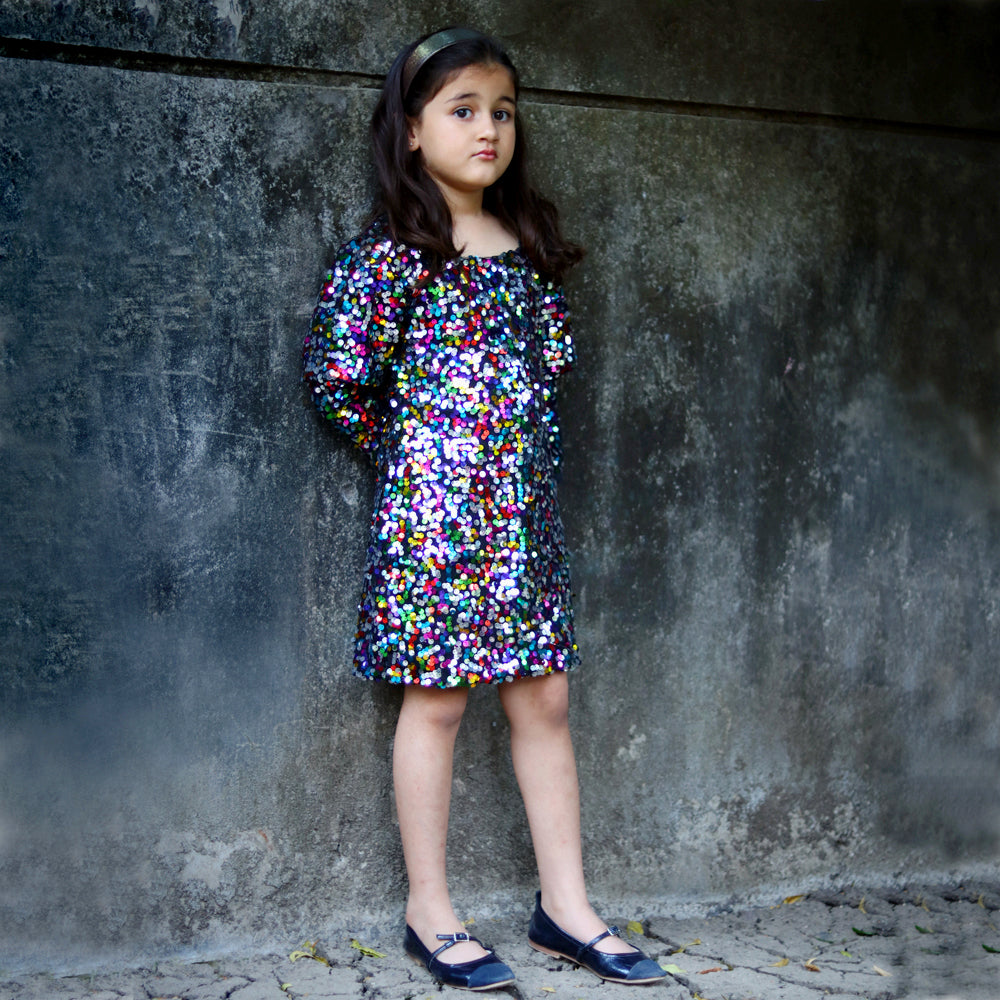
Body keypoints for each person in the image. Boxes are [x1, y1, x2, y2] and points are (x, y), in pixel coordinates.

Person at [302, 27, 666, 992]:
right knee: (438, 701)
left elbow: (550, 370)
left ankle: (566, 907)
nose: (488, 129)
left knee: (544, 697)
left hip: (524, 524)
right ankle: (430, 908)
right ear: (410, 131)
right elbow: (338, 376)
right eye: (462, 109)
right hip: (432, 524)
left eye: (502, 111)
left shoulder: (527, 252)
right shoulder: (393, 256)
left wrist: (503, 467)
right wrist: (419, 459)